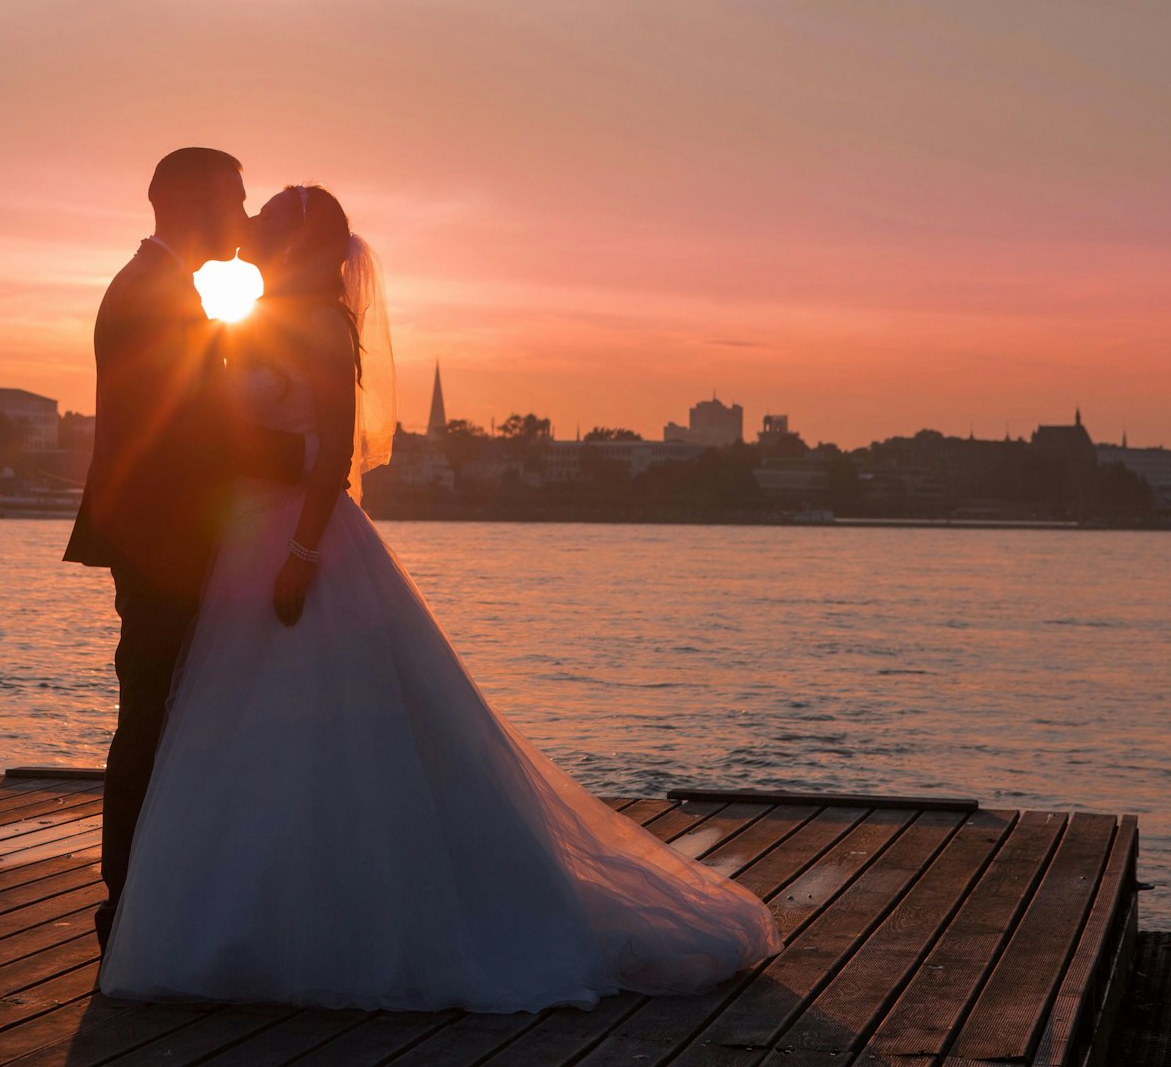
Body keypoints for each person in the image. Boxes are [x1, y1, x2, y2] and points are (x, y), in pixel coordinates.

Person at [95, 184, 783, 1011]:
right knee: (241, 736)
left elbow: (332, 452)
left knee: (314, 734)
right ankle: (245, 921)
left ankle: (327, 928)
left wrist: (304, 552)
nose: (254, 227)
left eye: (272, 220)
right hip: (242, 541)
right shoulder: (259, 322)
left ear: (307, 246)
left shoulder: (316, 325)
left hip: (296, 544)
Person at [63, 148, 310, 948]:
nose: (242, 218)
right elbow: (195, 430)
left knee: (163, 715)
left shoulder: (164, 288)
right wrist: (304, 460)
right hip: (159, 541)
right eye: (233, 201)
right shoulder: (151, 296)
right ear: (187, 202)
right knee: (150, 718)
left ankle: (148, 897)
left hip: (171, 537)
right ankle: (127, 902)